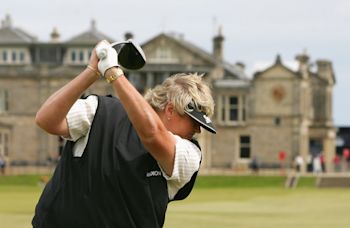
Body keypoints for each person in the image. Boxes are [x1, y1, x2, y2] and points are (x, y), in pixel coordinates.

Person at [32, 40, 216, 228]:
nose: (198, 130)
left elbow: (152, 135)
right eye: (194, 122)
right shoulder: (99, 110)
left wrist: (113, 73)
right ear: (170, 110)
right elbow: (46, 119)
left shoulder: (190, 153)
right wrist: (91, 72)